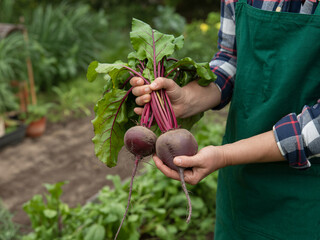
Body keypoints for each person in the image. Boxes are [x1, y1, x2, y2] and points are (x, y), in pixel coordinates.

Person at [130, 0, 320, 239]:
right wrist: (186, 99)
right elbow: (230, 59)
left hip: (309, 196)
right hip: (241, 187)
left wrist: (224, 155)